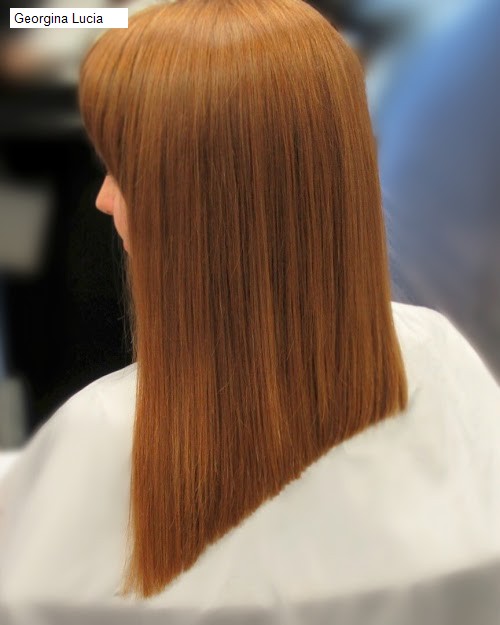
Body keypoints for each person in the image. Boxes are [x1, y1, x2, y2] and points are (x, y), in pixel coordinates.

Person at [0, 0, 499, 607]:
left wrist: (114, 21)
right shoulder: (438, 355)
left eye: (118, 174)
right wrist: (103, 19)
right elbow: (31, 22)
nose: (106, 200)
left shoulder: (100, 432)